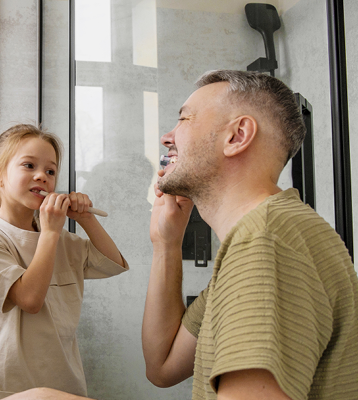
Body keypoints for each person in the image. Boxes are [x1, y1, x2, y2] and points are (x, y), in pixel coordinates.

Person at [142, 70, 358, 399]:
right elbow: (163, 366)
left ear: (237, 136)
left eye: (184, 119)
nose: (167, 137)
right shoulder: (267, 234)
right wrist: (166, 244)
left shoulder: (266, 240)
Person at [0, 124, 129, 399]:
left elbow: (113, 263)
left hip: (64, 383)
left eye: (50, 171)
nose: (41, 176)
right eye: (29, 165)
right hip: (6, 385)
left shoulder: (61, 239)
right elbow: (30, 299)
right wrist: (50, 232)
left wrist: (87, 219)